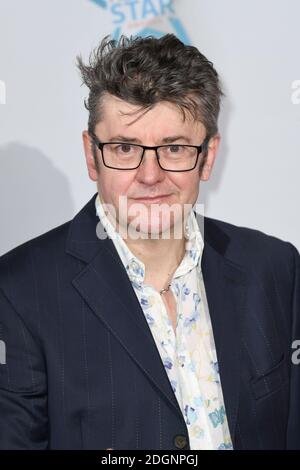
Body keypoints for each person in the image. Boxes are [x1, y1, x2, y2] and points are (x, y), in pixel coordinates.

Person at [0, 34, 299, 450]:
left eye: (174, 148)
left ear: (208, 156)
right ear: (91, 156)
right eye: (125, 148)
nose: (150, 175)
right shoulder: (17, 291)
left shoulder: (276, 267)